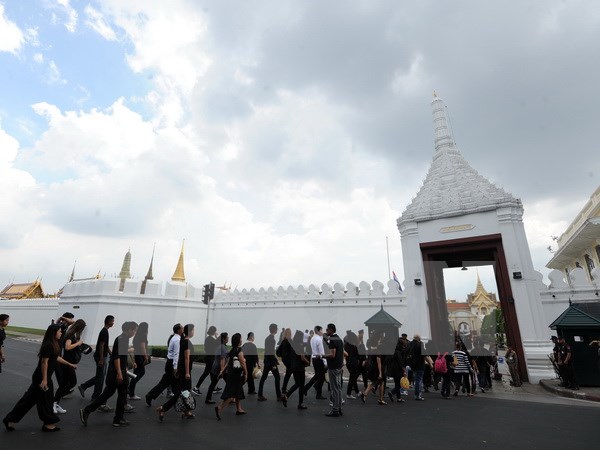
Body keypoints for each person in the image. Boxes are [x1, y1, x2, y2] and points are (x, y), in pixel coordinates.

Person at [3, 324, 77, 432]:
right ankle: (48, 424)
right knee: (46, 400)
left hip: (43, 376)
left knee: (29, 400)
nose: (61, 333)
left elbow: (56, 358)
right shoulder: (48, 345)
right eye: (60, 331)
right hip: (41, 377)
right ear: (54, 332)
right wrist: (45, 380)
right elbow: (44, 363)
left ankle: (9, 419)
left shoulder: (54, 344)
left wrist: (69, 364)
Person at [80, 321, 138, 427]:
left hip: (116, 372)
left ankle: (87, 410)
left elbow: (121, 357)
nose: (134, 333)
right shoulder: (123, 339)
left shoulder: (122, 338)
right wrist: (120, 373)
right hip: (117, 373)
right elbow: (116, 357)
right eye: (134, 330)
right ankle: (118, 419)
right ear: (129, 329)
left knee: (109, 394)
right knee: (121, 395)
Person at [157, 324, 196, 421]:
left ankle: (186, 412)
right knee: (182, 392)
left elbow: (179, 356)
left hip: (182, 369)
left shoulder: (183, 340)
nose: (194, 332)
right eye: (193, 330)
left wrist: (178, 369)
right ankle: (163, 408)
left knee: (185, 391)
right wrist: (187, 372)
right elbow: (186, 358)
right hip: (185, 371)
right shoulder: (186, 342)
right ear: (190, 331)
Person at [78, 315, 114, 411]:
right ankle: (96, 397)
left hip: (102, 356)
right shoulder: (104, 331)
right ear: (108, 321)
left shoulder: (105, 331)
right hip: (100, 357)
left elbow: (105, 345)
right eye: (112, 321)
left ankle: (84, 386)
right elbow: (102, 346)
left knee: (100, 376)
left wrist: (112, 354)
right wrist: (102, 359)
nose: (113, 323)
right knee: (100, 378)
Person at [54, 319, 87, 414]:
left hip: (68, 362)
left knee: (64, 385)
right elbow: (67, 347)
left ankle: (55, 402)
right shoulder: (71, 335)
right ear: (80, 327)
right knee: (73, 382)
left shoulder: (73, 334)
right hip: (67, 363)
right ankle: (54, 401)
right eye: (82, 328)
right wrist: (78, 343)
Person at [146, 324, 183, 406]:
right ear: (178, 330)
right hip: (172, 364)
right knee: (170, 383)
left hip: (170, 363)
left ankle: (151, 395)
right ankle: (180, 402)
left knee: (170, 383)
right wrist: (175, 368)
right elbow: (176, 354)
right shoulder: (177, 340)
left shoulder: (175, 338)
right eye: (182, 328)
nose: (183, 329)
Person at [215, 332, 248, 419]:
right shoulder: (239, 351)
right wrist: (246, 373)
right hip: (236, 375)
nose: (241, 340)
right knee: (232, 394)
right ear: (238, 340)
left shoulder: (232, 350)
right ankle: (220, 407)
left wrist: (222, 371)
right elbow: (242, 363)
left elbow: (228, 363)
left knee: (237, 392)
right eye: (240, 338)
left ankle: (239, 409)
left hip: (231, 374)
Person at [282, 330, 310, 410]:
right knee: (301, 385)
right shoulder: (300, 345)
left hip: (293, 367)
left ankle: (287, 396)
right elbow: (302, 357)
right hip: (300, 367)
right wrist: (307, 362)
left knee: (297, 384)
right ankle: (300, 403)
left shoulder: (293, 345)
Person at [359, 332, 387, 406]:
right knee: (381, 383)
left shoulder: (373, 347)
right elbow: (379, 362)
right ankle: (380, 399)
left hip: (374, 367)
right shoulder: (380, 348)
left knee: (374, 382)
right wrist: (380, 372)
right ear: (379, 339)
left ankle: (365, 394)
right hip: (379, 368)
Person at [322, 323, 344, 417]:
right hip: (339, 366)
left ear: (331, 330)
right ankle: (339, 408)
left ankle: (335, 410)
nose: (326, 331)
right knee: (338, 388)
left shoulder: (332, 340)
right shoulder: (339, 339)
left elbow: (332, 355)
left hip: (333, 367)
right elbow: (340, 352)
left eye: (327, 330)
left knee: (334, 389)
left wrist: (322, 356)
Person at [258, 323, 283, 402]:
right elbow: (271, 352)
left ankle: (260, 395)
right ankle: (278, 396)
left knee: (263, 378)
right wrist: (274, 363)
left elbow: (268, 351)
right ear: (275, 330)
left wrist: (274, 361)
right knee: (277, 377)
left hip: (267, 361)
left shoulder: (267, 338)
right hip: (271, 362)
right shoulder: (272, 339)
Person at [193, 325, 218, 396]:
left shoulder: (207, 339)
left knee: (211, 373)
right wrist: (216, 337)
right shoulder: (211, 339)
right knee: (206, 373)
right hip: (210, 358)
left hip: (208, 357)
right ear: (213, 331)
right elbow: (218, 345)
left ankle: (213, 387)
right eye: (215, 331)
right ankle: (196, 387)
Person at [127, 322, 149, 400]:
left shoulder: (136, 335)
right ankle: (131, 392)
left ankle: (129, 389)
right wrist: (146, 357)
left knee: (137, 373)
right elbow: (142, 347)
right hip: (140, 357)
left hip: (136, 356)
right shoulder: (143, 335)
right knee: (138, 374)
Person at [205, 332, 229, 404]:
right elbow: (222, 359)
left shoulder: (220, 346)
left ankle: (209, 398)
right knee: (228, 383)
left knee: (214, 384)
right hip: (219, 369)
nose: (228, 338)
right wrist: (222, 371)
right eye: (227, 337)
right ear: (224, 339)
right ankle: (226, 397)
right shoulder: (223, 347)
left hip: (216, 367)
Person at [304, 325, 327, 399]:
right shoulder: (319, 339)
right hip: (319, 359)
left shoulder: (313, 338)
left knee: (317, 375)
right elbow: (322, 352)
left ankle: (306, 388)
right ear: (318, 330)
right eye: (321, 330)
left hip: (314, 358)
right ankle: (318, 392)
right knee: (322, 377)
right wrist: (325, 362)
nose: (322, 332)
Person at [387, 337, 407, 403]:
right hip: (398, 370)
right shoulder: (398, 352)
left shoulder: (393, 351)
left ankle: (399, 398)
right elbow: (400, 362)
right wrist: (404, 370)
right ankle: (392, 392)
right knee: (400, 385)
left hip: (393, 370)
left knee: (397, 384)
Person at [344, 330, 360, 399]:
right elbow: (358, 355)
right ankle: (348, 393)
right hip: (353, 364)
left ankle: (357, 392)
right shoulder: (354, 346)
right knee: (352, 379)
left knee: (353, 378)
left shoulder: (346, 345)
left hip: (348, 363)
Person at [409, 334, 426, 401]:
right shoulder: (420, 344)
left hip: (413, 364)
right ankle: (417, 395)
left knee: (416, 379)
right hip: (420, 364)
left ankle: (417, 394)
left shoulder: (410, 344)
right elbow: (424, 354)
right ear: (418, 338)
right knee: (419, 380)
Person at [277, 328, 293, 395]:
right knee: (289, 373)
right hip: (289, 359)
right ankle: (284, 388)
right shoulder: (290, 341)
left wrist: (282, 356)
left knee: (288, 373)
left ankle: (284, 388)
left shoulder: (283, 341)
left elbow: (278, 352)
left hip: (284, 359)